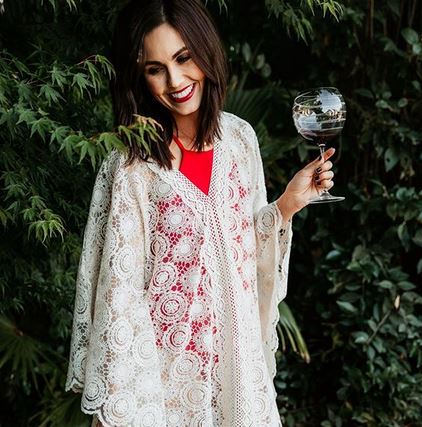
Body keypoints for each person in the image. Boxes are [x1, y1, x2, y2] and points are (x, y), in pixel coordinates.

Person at [65, 0, 337, 426]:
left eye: (183, 58)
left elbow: (243, 259)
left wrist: (286, 205)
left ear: (205, 50)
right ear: (139, 76)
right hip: (168, 393)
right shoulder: (131, 168)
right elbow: (121, 295)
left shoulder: (240, 140)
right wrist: (122, 409)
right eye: (155, 68)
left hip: (239, 377)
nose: (174, 81)